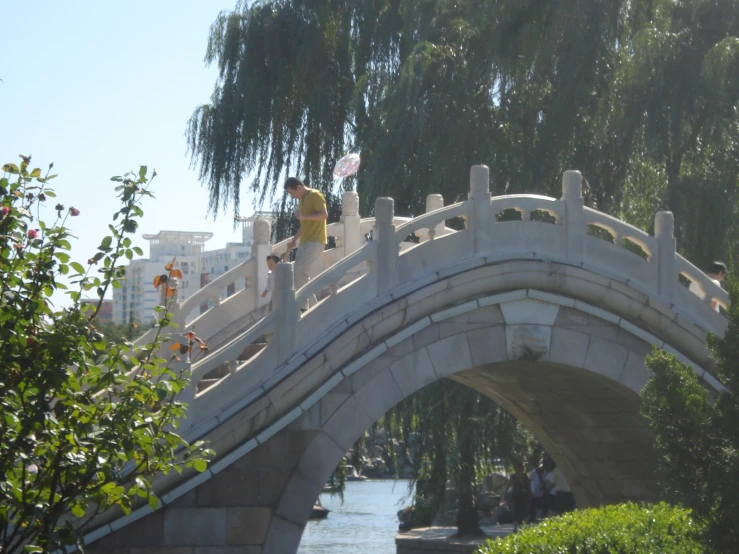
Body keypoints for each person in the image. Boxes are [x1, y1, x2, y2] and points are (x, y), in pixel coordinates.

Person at [284, 177, 328, 312]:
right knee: (300, 274)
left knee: (300, 272)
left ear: (299, 187)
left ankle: (304, 307)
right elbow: (305, 225)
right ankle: (313, 307)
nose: (292, 197)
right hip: (305, 241)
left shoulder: (315, 195)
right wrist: (294, 239)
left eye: (292, 193)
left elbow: (324, 215)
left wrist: (304, 217)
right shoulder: (302, 201)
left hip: (315, 240)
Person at [505, 461, 531, 532]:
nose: (520, 469)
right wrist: (506, 493)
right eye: (519, 468)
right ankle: (515, 527)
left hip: (524, 495)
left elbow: (528, 485)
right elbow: (509, 484)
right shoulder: (513, 476)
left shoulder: (525, 476)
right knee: (516, 511)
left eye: (521, 468)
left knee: (523, 510)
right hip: (515, 495)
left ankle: (522, 526)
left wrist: (529, 493)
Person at [528, 458, 548, 522]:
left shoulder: (545, 473)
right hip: (534, 491)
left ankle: (543, 517)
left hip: (542, 492)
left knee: (543, 504)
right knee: (533, 505)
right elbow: (529, 481)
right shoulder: (533, 472)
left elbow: (546, 481)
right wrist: (530, 491)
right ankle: (532, 518)